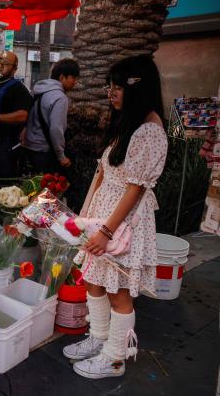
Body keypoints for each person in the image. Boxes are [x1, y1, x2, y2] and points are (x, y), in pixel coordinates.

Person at [62, 55, 168, 379]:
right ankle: (98, 338)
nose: (112, 93)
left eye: (118, 86)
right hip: (102, 219)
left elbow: (134, 190)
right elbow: (103, 174)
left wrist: (106, 231)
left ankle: (115, 357)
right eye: (110, 86)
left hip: (120, 226)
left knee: (118, 293)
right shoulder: (127, 124)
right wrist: (85, 216)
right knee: (94, 281)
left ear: (139, 88)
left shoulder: (149, 131)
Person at [22, 58, 80, 173]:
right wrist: (61, 156)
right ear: (62, 77)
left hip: (28, 147)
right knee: (45, 189)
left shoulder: (39, 90)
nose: (75, 82)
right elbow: (56, 129)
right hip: (43, 152)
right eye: (73, 77)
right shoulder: (60, 97)